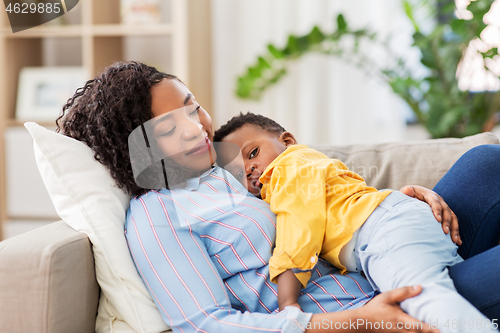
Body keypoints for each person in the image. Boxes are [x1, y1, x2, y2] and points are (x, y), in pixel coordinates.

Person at [55, 61, 500, 333]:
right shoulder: (158, 216)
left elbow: (312, 201)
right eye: (169, 129)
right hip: (371, 309)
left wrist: (387, 204)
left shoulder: (223, 170)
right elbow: (206, 324)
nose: (196, 127)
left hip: (377, 257)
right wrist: (348, 324)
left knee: (482, 165)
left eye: (192, 107)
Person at [213, 112, 495, 332]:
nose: (249, 169)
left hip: (381, 235)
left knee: (426, 299)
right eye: (237, 173)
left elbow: (299, 226)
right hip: (388, 233)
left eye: (252, 154)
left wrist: (288, 302)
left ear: (287, 141)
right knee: (441, 296)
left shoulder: (287, 168)